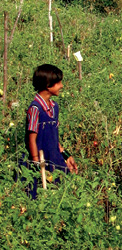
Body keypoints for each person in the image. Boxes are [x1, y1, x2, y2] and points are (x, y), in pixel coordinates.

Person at [24, 64, 78, 199]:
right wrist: (37, 163)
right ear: (48, 85)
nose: (61, 86)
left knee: (60, 195)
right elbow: (31, 139)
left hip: (54, 159)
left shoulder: (54, 107)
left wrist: (66, 156)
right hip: (42, 161)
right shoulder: (35, 109)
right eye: (58, 83)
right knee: (40, 199)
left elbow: (54, 138)